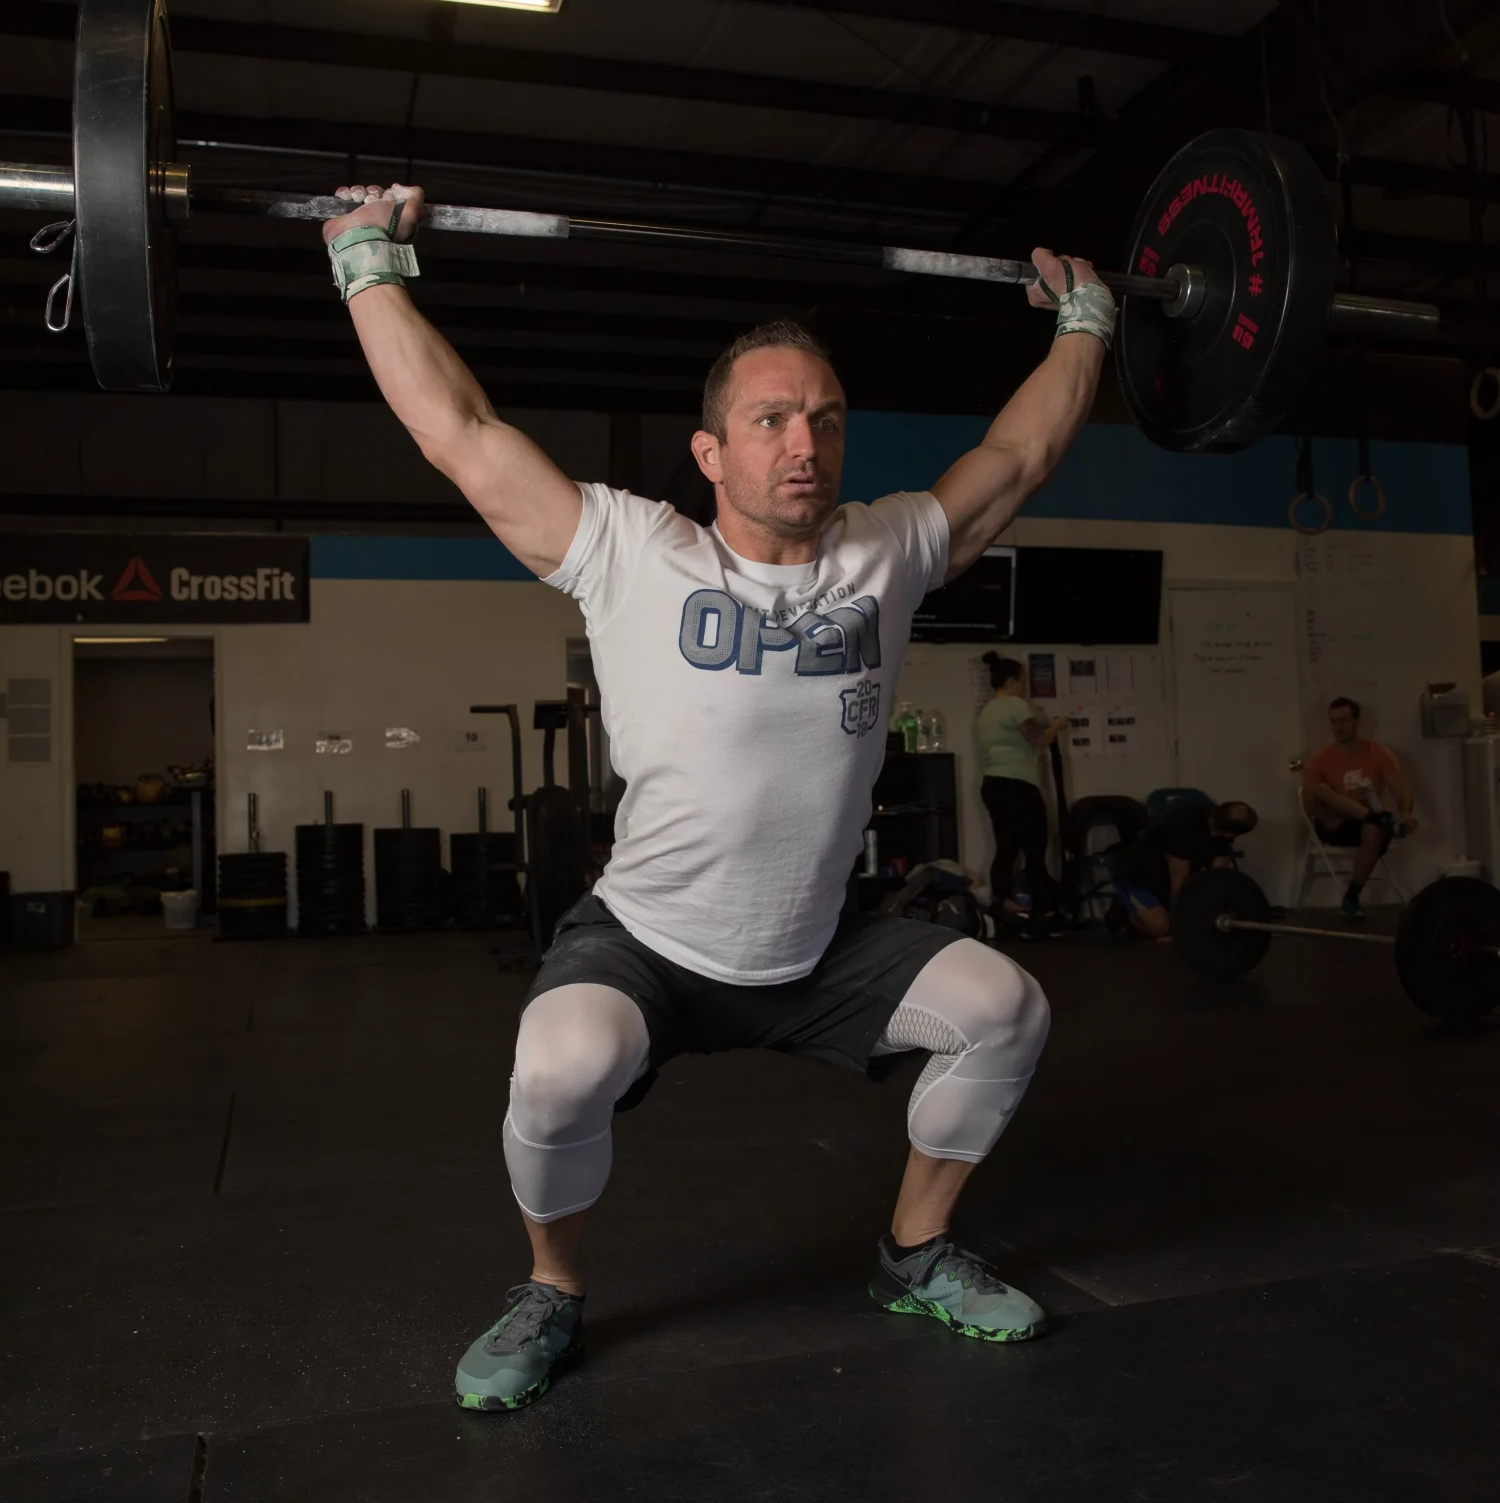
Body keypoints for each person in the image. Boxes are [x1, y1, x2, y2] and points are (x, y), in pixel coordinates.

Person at [320, 182, 1116, 1410]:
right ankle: (553, 1293)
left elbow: (1019, 456)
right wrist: (370, 266)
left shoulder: (887, 550)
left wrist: (1087, 328)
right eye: (771, 421)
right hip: (650, 942)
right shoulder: (631, 550)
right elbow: (461, 431)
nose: (805, 444)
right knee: (558, 1069)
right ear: (713, 452)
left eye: (826, 421)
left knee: (1006, 1008)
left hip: (816, 944)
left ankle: (914, 1253)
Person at [976, 652, 1069, 941]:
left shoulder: (988, 710)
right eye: (1023, 681)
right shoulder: (1015, 705)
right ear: (1011, 680)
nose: (1025, 686)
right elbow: (1040, 739)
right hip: (1018, 786)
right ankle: (1044, 915)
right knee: (1034, 849)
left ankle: (1001, 910)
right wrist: (1057, 725)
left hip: (993, 785)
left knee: (1006, 848)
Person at [1301, 696, 1416, 921]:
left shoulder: (1379, 753)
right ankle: (1380, 819)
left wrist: (1406, 813)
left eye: (1344, 721)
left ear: (1356, 722)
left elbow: (1402, 790)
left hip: (1367, 825)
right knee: (1319, 789)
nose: (1338, 728)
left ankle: (1351, 897)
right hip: (1332, 822)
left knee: (1374, 829)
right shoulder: (1322, 757)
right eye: (1333, 722)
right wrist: (1338, 802)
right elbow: (1308, 803)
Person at [1110, 798, 1259, 938]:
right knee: (1162, 928)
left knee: (1193, 917)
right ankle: (1122, 914)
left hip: (1162, 880)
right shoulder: (1182, 826)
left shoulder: (1224, 837)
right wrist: (1179, 933)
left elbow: (1217, 880)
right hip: (1133, 875)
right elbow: (1179, 883)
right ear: (1228, 831)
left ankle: (1154, 911)